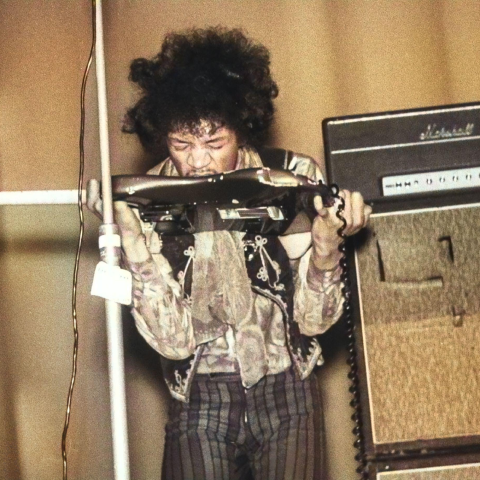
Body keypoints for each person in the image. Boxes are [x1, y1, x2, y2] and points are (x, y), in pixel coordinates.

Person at [88, 26, 371, 480]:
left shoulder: (292, 177)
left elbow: (316, 321)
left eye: (215, 143)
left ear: (241, 128)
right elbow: (174, 342)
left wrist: (325, 246)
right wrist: (135, 248)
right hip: (199, 394)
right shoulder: (145, 197)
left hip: (287, 387)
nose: (197, 161)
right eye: (181, 145)